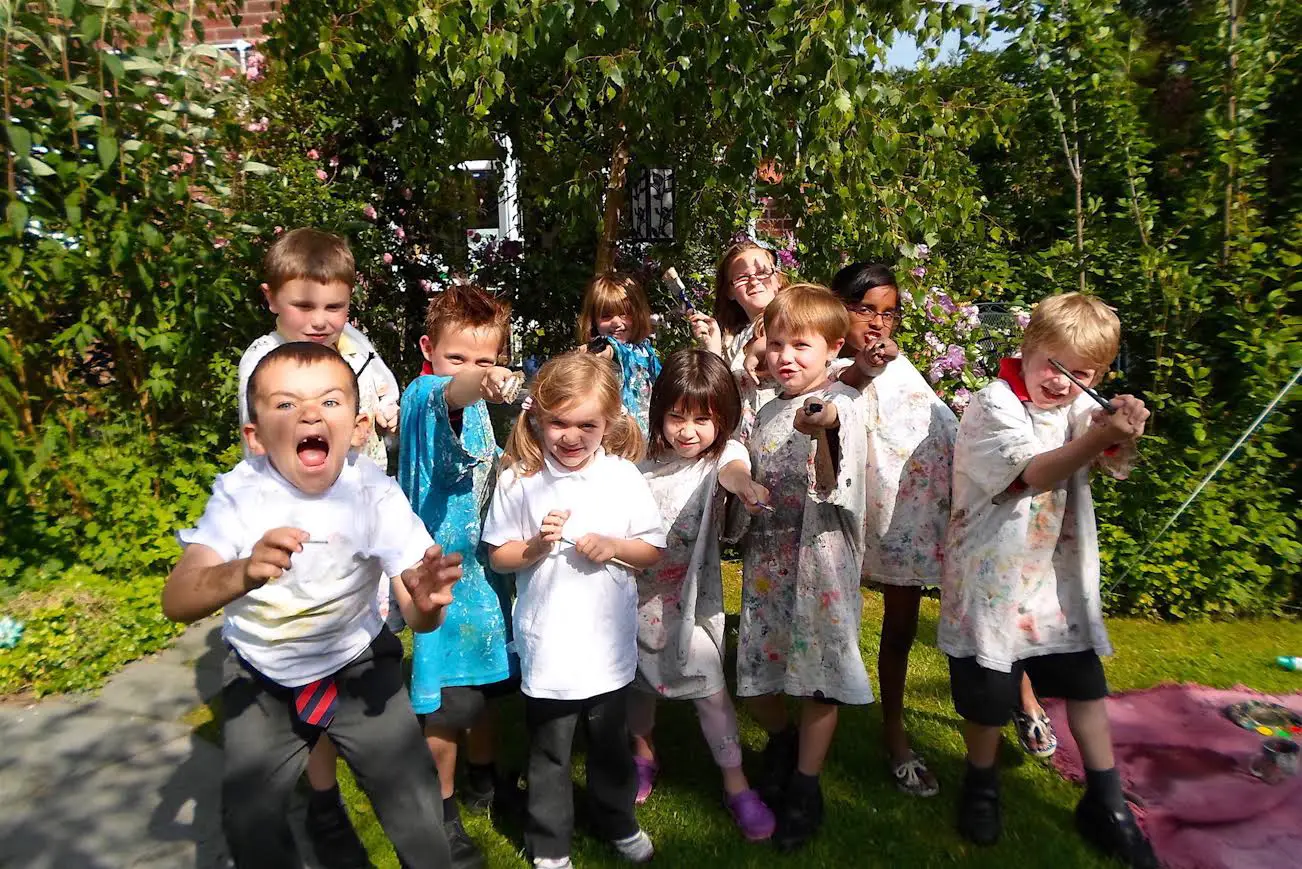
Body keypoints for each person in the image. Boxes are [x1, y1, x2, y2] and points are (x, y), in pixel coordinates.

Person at [162, 342, 463, 869]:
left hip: (358, 661)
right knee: (250, 820)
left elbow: (418, 611)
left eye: (328, 401)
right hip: (263, 675)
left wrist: (427, 604)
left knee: (415, 805)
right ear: (254, 438)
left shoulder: (373, 494)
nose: (308, 414)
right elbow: (178, 599)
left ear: (359, 426)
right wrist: (241, 571)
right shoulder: (239, 496)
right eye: (285, 404)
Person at [938, 293, 1156, 867]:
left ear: (1099, 374)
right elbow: (1031, 475)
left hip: (1057, 580)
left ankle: (1105, 802)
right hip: (993, 576)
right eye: (1053, 367)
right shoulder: (993, 404)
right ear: (1029, 351)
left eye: (1081, 374)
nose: (1062, 383)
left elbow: (1111, 458)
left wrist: (1124, 428)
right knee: (988, 692)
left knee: (1085, 683)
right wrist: (1098, 435)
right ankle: (981, 784)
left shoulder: (1079, 409)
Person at [234, 227, 400, 866]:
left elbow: (379, 387)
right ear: (271, 299)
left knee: (358, 639)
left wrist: (379, 412)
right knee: (316, 652)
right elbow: (271, 445)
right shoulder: (264, 364)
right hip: (304, 523)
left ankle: (357, 745)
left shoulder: (355, 346)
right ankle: (325, 797)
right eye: (305, 306)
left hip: (361, 513)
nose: (321, 321)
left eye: (334, 306)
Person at [482, 352, 666, 869]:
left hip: (607, 647)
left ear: (608, 423)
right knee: (549, 754)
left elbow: (651, 550)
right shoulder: (521, 477)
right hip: (551, 647)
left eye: (587, 424)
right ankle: (549, 844)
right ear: (537, 417)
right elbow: (499, 555)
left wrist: (614, 545)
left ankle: (619, 821)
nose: (571, 436)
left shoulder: (623, 477)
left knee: (609, 747)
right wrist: (536, 549)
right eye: (559, 422)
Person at [737, 283, 872, 851]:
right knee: (759, 666)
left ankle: (806, 786)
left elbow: (836, 467)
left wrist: (824, 427)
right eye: (775, 344)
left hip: (820, 562)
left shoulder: (844, 406)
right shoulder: (766, 410)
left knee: (818, 673)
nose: (785, 357)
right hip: (769, 560)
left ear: (832, 349)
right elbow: (744, 455)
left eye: (801, 345)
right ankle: (782, 740)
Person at [627, 348, 777, 842]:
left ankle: (736, 785)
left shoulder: (722, 457)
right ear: (658, 413)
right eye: (675, 417)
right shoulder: (639, 459)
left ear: (724, 420)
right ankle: (643, 754)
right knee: (637, 689)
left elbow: (733, 470)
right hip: (631, 598)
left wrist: (745, 486)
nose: (687, 431)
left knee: (710, 692)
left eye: (702, 419)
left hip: (691, 601)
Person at [399, 284, 520, 869]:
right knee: (444, 705)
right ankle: (441, 811)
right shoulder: (424, 394)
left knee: (488, 690)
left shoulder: (477, 409)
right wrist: (481, 381)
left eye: (486, 358)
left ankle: (487, 780)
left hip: (484, 575)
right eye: (458, 356)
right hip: (439, 576)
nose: (474, 371)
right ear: (429, 349)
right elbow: (453, 390)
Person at [828, 263, 956, 797]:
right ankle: (809, 731)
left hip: (910, 521)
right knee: (834, 626)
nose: (879, 324)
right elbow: (835, 398)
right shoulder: (832, 365)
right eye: (866, 311)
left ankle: (894, 728)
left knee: (902, 628)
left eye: (889, 313)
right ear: (841, 311)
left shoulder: (902, 368)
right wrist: (862, 368)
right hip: (851, 521)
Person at [688, 240, 788, 436]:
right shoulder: (738, 339)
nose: (754, 281)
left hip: (782, 437)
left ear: (777, 279)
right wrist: (714, 347)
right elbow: (720, 395)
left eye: (762, 272)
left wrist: (763, 344)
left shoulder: (796, 318)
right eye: (742, 277)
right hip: (745, 445)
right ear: (730, 291)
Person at [576, 271, 662, 437]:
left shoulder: (646, 352)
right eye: (606, 316)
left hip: (645, 437)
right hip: (610, 439)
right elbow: (606, 349)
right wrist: (603, 354)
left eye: (625, 313)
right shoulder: (597, 351)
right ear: (594, 320)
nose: (616, 322)